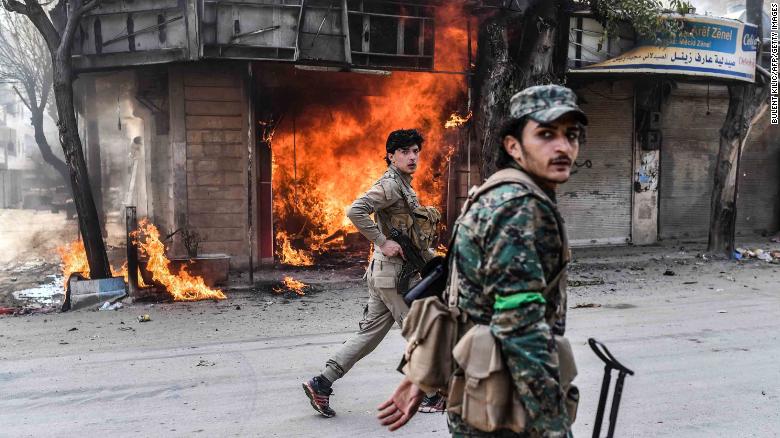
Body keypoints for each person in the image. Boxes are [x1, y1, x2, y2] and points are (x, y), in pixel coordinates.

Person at [377, 84, 587, 437]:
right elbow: (519, 326)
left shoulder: (490, 196)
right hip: (506, 409)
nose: (563, 146)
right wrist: (555, 427)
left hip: (476, 401)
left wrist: (420, 376)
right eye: (546, 134)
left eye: (572, 135)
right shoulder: (521, 209)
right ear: (513, 146)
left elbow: (458, 295)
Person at [303, 129, 441, 418]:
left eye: (415, 150)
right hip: (394, 277)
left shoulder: (404, 185)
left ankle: (321, 383)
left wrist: (434, 259)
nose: (412, 156)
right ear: (391, 155)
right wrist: (382, 241)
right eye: (405, 151)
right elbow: (356, 210)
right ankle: (431, 395)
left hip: (389, 274)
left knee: (368, 335)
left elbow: (410, 234)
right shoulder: (390, 186)